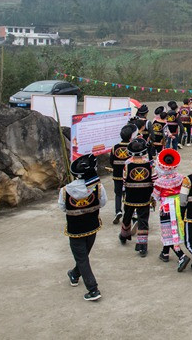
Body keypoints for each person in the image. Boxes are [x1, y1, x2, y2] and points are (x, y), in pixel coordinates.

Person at [59, 153, 105, 302]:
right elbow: (102, 203)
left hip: (75, 228)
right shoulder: (98, 186)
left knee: (82, 258)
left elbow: (62, 207)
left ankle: (93, 289)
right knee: (83, 257)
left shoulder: (65, 190)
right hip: (92, 225)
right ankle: (74, 274)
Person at [152, 148, 190, 271]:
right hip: (179, 204)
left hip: (167, 206)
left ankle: (181, 255)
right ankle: (165, 252)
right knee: (172, 229)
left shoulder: (159, 181)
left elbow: (156, 196)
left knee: (169, 229)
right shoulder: (180, 177)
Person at [118, 138, 155, 257]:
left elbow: (124, 180)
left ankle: (124, 235)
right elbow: (154, 180)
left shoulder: (127, 164)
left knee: (127, 215)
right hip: (144, 196)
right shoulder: (149, 164)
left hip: (130, 195)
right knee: (143, 220)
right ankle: (142, 246)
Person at [110, 123, 135, 225]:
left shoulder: (115, 147)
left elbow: (111, 161)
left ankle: (118, 211)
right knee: (129, 194)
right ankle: (132, 214)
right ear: (130, 137)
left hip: (117, 175)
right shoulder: (132, 147)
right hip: (128, 175)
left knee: (118, 193)